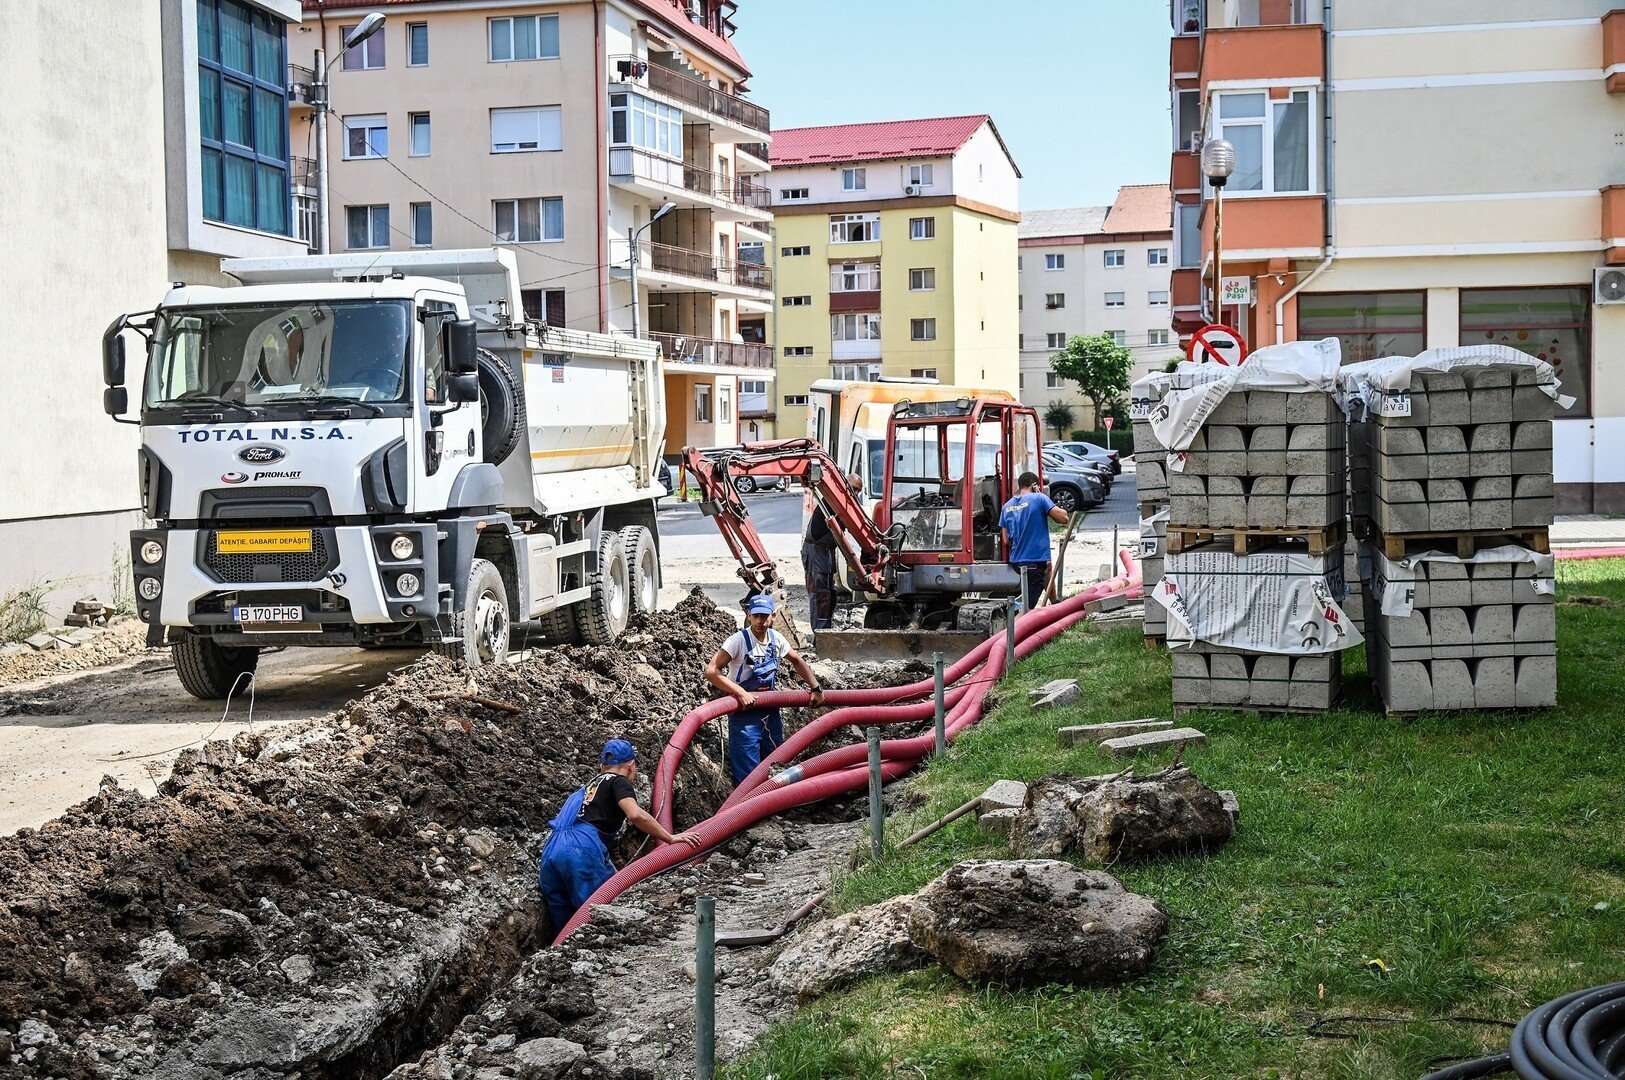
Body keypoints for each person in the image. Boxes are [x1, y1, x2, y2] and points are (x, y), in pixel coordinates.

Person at [537, 738, 700, 930]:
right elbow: (635, 814)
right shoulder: (619, 782)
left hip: (551, 850)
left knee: (563, 920)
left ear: (602, 766)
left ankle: (558, 953)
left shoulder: (587, 787)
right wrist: (670, 838)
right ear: (631, 766)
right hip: (580, 850)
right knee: (596, 913)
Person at [704, 594, 825, 786]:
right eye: (756, 616)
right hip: (744, 714)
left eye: (765, 616)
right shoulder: (738, 641)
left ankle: (775, 803)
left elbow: (797, 660)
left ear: (773, 616)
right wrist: (740, 692)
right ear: (749, 615)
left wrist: (815, 687)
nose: (760, 621)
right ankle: (749, 808)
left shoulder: (776, 639)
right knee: (748, 770)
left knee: (776, 760)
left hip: (770, 711)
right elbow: (711, 671)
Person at [1000, 471, 1069, 611]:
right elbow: (1063, 519)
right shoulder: (1039, 498)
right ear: (1034, 485)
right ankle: (1012, 630)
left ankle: (1054, 602)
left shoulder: (1006, 506)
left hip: (1016, 561)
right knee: (1027, 608)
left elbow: (1006, 540)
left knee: (1048, 568)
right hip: (1034, 562)